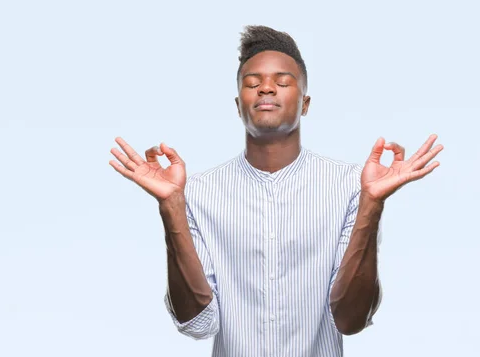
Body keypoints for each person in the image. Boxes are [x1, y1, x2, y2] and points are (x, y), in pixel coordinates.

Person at [109, 25, 443, 357]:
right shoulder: (195, 193)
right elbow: (197, 323)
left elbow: (350, 319)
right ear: (239, 105)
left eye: (282, 82)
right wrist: (171, 206)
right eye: (253, 83)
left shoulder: (351, 187)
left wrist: (372, 203)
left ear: (306, 103)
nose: (266, 89)